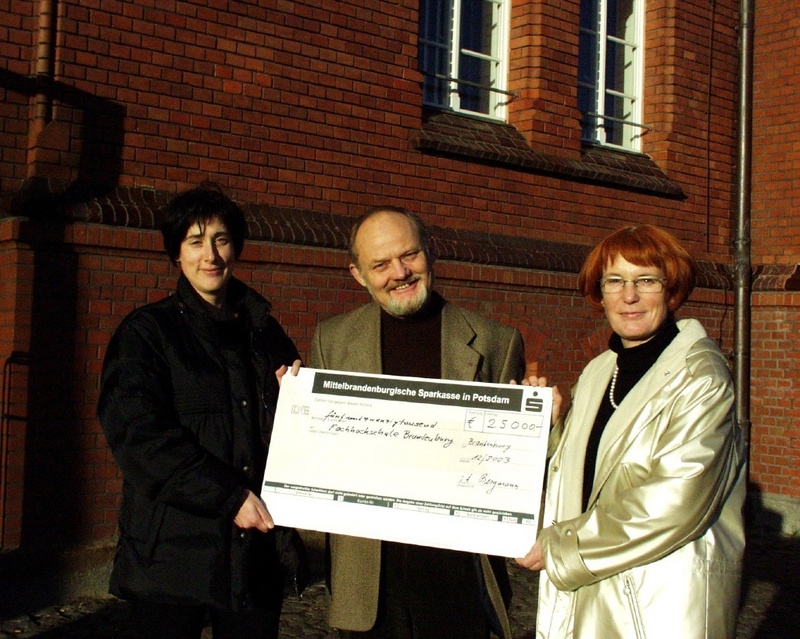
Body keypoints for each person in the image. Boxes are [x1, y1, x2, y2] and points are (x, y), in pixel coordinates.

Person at [517, 225, 746, 639]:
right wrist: (551, 431)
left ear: (672, 290)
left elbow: (674, 500)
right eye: (615, 281)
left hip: (656, 602)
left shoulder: (702, 377)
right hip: (593, 590)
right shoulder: (600, 370)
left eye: (646, 280)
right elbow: (588, 473)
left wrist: (561, 546)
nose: (629, 296)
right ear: (598, 293)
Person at [309, 206, 526, 638]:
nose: (400, 272)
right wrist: (297, 407)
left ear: (430, 253)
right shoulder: (331, 341)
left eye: (409, 255)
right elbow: (318, 455)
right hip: (368, 578)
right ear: (358, 274)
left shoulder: (494, 342)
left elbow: (513, 470)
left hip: (457, 579)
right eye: (381, 264)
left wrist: (539, 427)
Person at [97, 184, 303, 639]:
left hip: (254, 559)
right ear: (177, 254)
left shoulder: (265, 334)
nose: (210, 254)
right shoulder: (147, 334)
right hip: (171, 559)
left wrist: (299, 398)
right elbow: (139, 437)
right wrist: (227, 497)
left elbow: (293, 431)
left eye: (221, 239)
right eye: (195, 241)